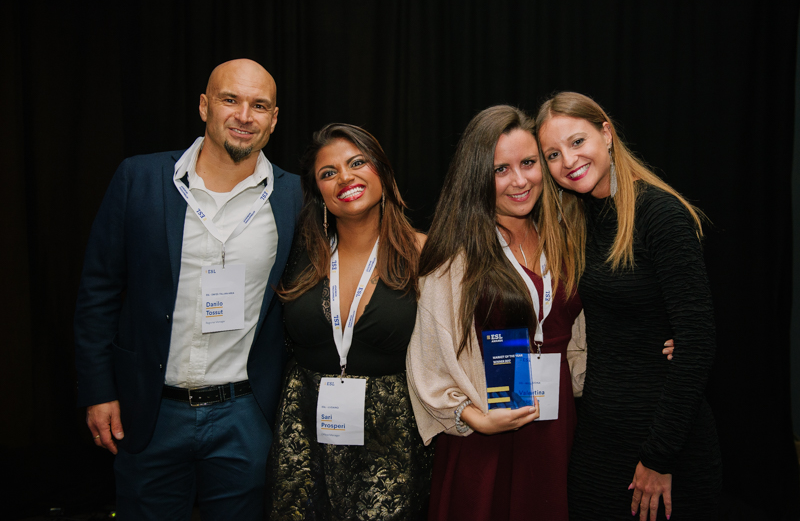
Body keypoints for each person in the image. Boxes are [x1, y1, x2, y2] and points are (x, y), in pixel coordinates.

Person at [74, 59, 302, 520]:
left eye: (259, 105)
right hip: (150, 410)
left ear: (274, 119)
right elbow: (98, 291)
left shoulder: (294, 196)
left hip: (245, 414)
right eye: (230, 100)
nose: (244, 116)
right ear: (204, 106)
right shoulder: (139, 178)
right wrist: (98, 390)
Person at [536, 91, 722, 521]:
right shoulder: (580, 218)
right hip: (599, 438)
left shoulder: (659, 214)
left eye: (577, 141)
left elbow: (697, 344)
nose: (568, 160)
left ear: (606, 133)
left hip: (664, 443)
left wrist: (659, 457)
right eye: (553, 154)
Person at [406, 105, 584, 521]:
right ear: (476, 176)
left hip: (556, 424)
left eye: (528, 163)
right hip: (485, 436)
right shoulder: (456, 254)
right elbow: (428, 360)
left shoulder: (564, 236)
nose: (519, 181)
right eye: (500, 169)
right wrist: (476, 421)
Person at [266, 124, 433, 520]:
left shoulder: (425, 253)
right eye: (329, 172)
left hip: (391, 436)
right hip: (304, 429)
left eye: (357, 163)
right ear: (318, 191)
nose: (344, 177)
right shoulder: (297, 254)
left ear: (383, 172)